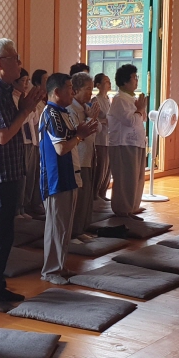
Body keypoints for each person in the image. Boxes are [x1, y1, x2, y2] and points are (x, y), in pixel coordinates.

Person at [0, 38, 45, 309]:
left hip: (4, 173)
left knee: (4, 234)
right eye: (16, 58)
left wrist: (23, 107)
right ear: (1, 63)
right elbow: (2, 136)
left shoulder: (3, 90)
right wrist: (25, 110)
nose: (20, 63)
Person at [39, 74, 98, 284]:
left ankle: (60, 266)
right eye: (69, 88)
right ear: (56, 92)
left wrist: (81, 131)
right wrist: (80, 135)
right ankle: (50, 271)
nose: (72, 92)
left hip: (68, 174)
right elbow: (61, 148)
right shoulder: (51, 113)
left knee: (65, 227)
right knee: (56, 227)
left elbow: (72, 139)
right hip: (55, 177)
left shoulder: (64, 113)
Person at [106, 64, 149, 217]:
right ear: (125, 81)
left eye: (137, 77)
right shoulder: (119, 99)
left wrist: (141, 109)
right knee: (126, 178)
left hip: (136, 143)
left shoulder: (132, 98)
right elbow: (130, 121)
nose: (137, 80)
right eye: (134, 77)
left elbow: (142, 118)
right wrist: (140, 109)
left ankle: (133, 206)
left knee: (137, 177)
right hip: (123, 143)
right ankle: (123, 209)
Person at [69, 71, 97, 238]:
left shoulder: (85, 108)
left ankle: (83, 229)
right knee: (79, 197)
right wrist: (90, 119)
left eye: (91, 89)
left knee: (86, 196)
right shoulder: (71, 109)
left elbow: (96, 129)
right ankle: (75, 232)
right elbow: (79, 134)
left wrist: (91, 117)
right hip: (78, 158)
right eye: (87, 89)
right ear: (76, 90)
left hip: (87, 156)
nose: (90, 93)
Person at [13, 68, 41, 218]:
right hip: (21, 141)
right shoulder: (13, 98)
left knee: (30, 175)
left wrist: (32, 109)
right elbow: (19, 120)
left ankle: (25, 206)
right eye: (23, 81)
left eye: (27, 81)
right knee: (21, 176)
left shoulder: (26, 97)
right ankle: (17, 208)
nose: (25, 84)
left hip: (31, 140)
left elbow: (34, 121)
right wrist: (28, 111)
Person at [91, 73, 112, 201]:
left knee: (108, 167)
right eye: (106, 81)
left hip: (109, 137)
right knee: (101, 166)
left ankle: (103, 192)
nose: (109, 83)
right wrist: (105, 121)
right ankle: (95, 193)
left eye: (109, 81)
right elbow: (93, 117)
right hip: (100, 138)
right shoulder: (96, 100)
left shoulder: (108, 99)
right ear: (98, 85)